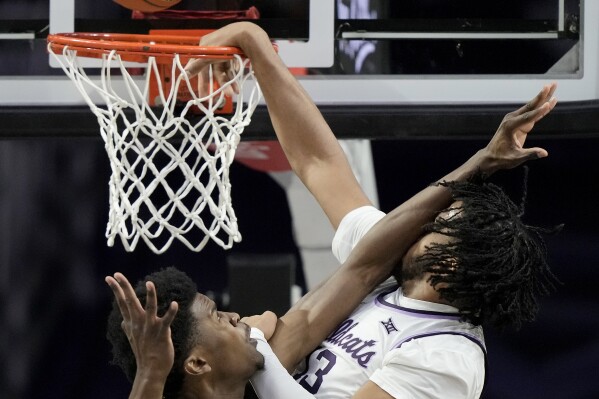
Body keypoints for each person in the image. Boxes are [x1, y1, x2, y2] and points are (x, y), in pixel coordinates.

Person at [105, 22, 559, 399]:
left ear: (450, 262)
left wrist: (170, 372)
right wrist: (255, 45)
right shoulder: (383, 276)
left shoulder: (446, 357)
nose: (419, 223)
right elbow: (320, 165)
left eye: (436, 226)